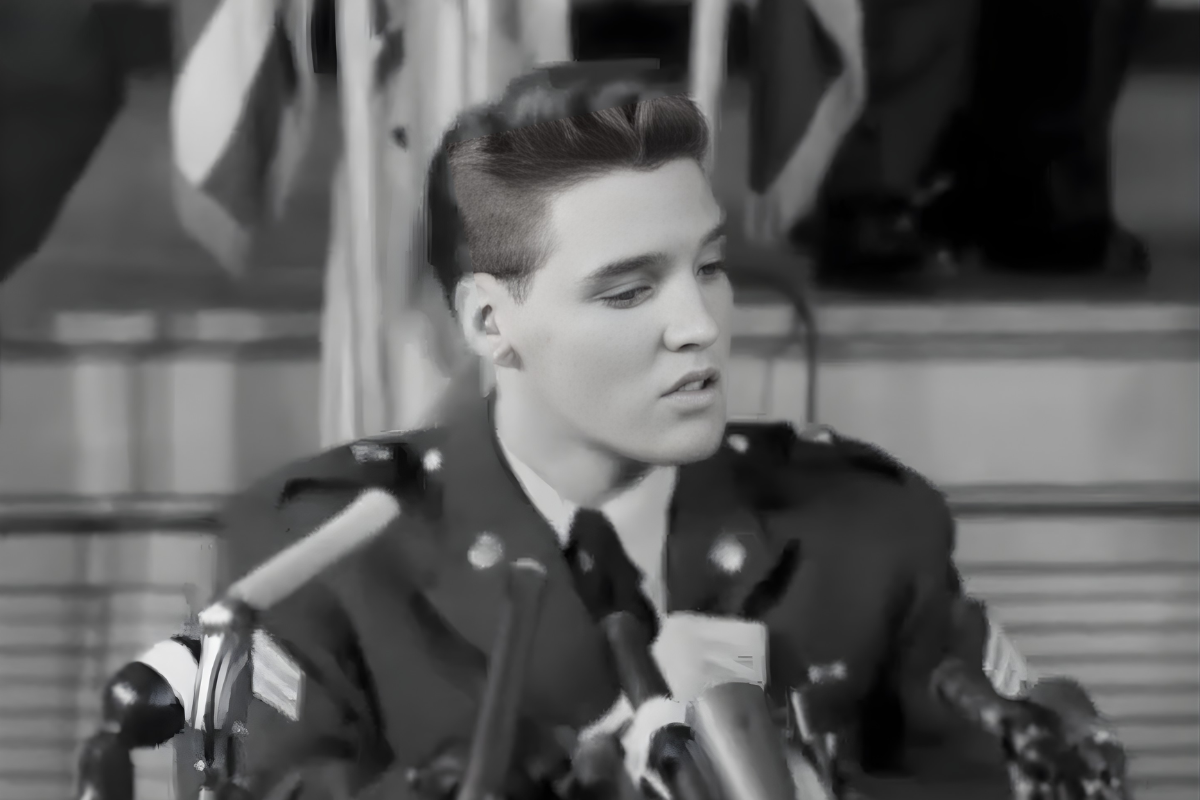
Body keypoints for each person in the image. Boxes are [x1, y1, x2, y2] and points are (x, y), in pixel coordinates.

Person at [175, 64, 1128, 800]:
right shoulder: (311, 558)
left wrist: (804, 785)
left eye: (708, 268)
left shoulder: (864, 531)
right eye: (630, 291)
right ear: (490, 322)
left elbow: (1030, 778)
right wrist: (599, 767)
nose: (700, 324)